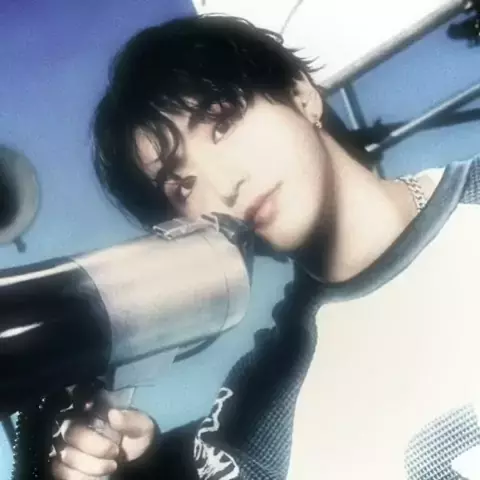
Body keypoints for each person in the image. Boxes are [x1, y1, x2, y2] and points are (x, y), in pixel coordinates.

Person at [51, 13, 480, 480]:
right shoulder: (261, 406)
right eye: (182, 184)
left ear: (301, 95)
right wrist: (137, 465)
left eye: (223, 123)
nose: (225, 184)